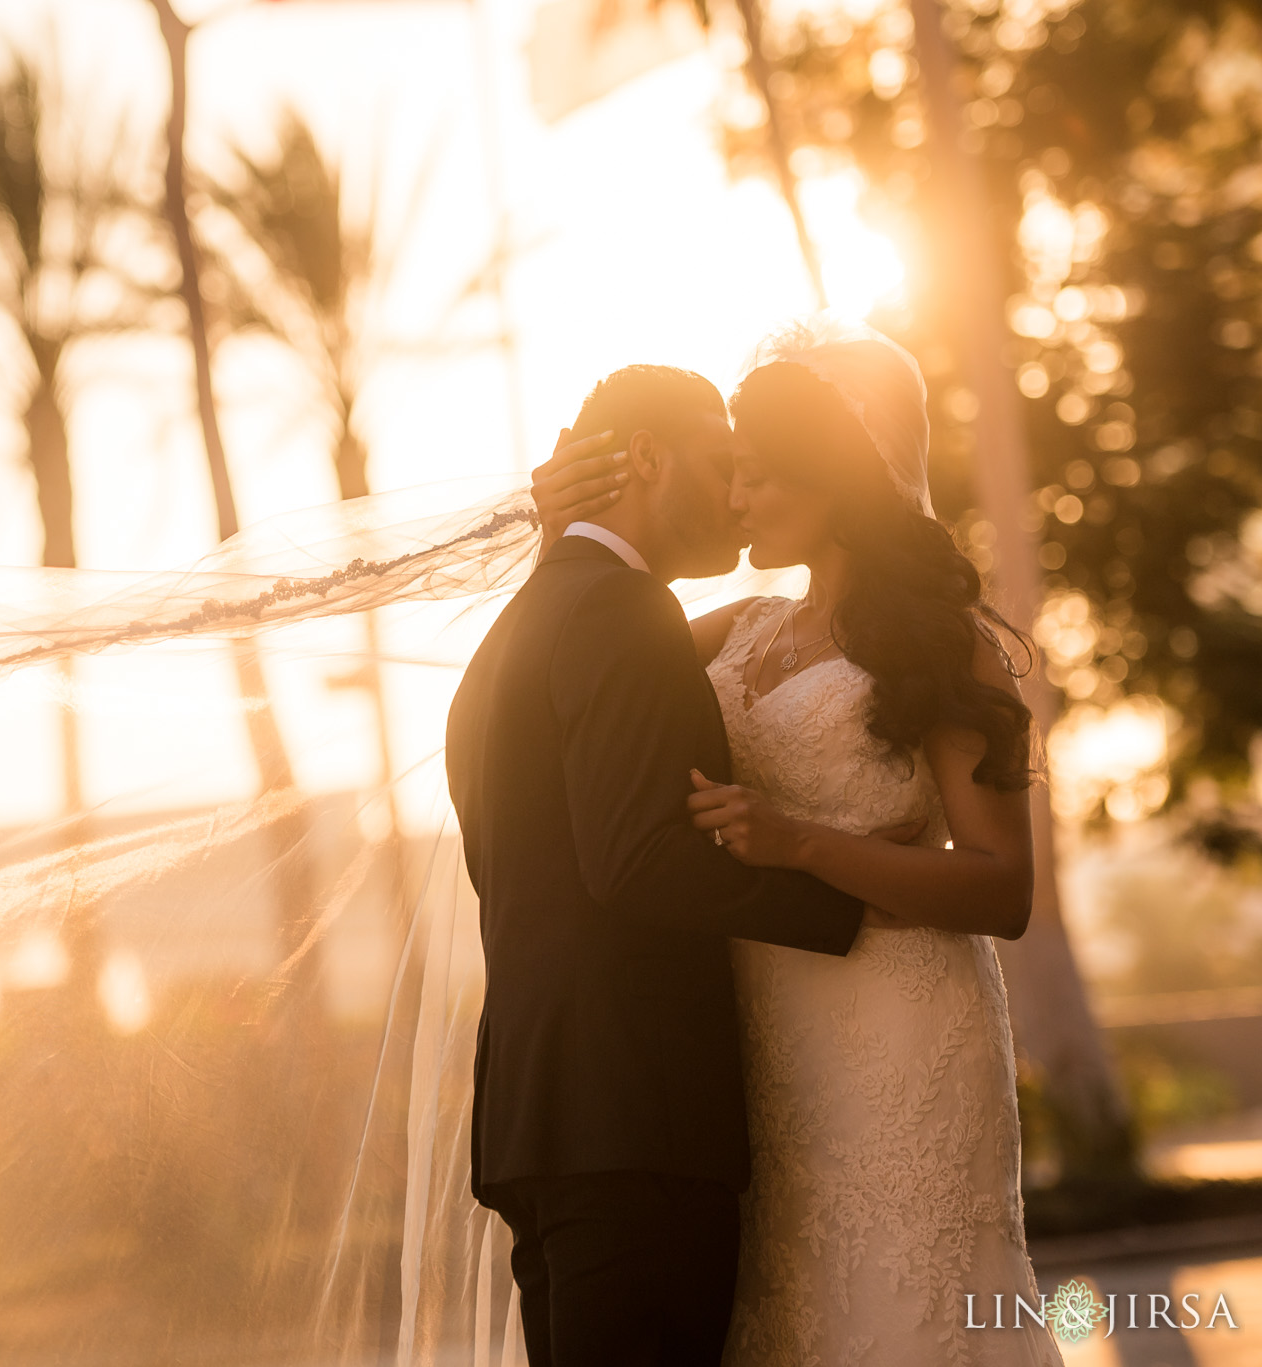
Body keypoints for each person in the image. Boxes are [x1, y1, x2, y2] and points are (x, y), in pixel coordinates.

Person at [530, 322, 1062, 1366]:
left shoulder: (935, 641)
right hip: (763, 1035)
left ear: (830, 480)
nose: (731, 502)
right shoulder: (734, 630)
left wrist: (799, 841)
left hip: (900, 1022)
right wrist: (562, 531)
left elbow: (1003, 888)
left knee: (900, 1305)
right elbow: (579, 654)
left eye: (757, 479)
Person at [445, 363, 871, 1367]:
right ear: (644, 457)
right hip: (636, 1122)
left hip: (537, 1117)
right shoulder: (617, 614)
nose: (734, 494)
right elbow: (633, 862)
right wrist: (844, 896)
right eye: (721, 462)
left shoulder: (514, 631)